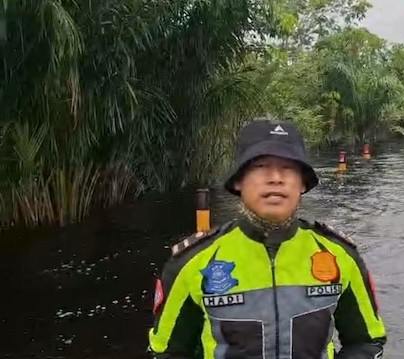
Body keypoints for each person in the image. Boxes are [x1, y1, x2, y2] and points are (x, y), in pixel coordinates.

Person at [147, 120, 387, 359]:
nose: (275, 178)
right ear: (238, 181)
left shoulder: (340, 256)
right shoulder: (192, 263)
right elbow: (167, 351)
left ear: (303, 183)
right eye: (261, 166)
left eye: (288, 168)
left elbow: (366, 342)